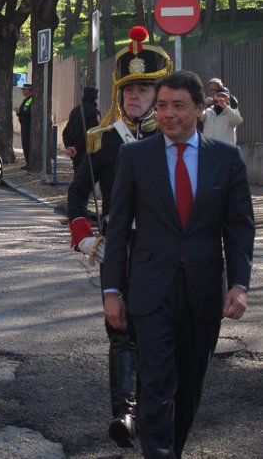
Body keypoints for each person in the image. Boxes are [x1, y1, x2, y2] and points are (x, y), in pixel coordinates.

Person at [102, 70, 255, 459]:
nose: (168, 114)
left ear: (200, 108)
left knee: (188, 387)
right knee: (155, 384)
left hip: (204, 292)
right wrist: (112, 291)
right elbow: (117, 229)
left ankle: (174, 450)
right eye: (163, 105)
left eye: (178, 106)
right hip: (151, 291)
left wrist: (239, 284)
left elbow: (239, 229)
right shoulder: (135, 156)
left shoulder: (226, 159)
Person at [66, 25, 173, 449]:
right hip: (118, 248)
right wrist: (85, 238)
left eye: (143, 90)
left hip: (162, 251)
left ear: (157, 94)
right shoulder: (104, 142)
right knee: (120, 328)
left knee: (158, 332)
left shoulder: (173, 141)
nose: (134, 97)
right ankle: (124, 413)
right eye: (129, 90)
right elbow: (76, 198)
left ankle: (149, 408)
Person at [62, 86, 100, 174]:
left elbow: (66, 132)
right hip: (86, 153)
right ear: (95, 98)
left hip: (75, 153)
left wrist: (69, 146)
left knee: (78, 179)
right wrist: (76, 147)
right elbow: (91, 134)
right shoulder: (94, 112)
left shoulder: (75, 110)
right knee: (86, 182)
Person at [16, 83, 33, 169]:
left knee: (27, 144)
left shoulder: (30, 100)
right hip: (25, 125)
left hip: (27, 126)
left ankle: (30, 164)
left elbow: (26, 111)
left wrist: (19, 112)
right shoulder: (27, 99)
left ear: (28, 90)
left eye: (24, 89)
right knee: (25, 144)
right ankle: (28, 163)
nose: (23, 91)